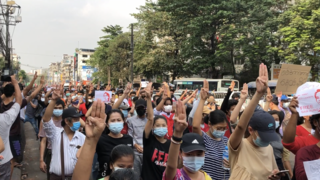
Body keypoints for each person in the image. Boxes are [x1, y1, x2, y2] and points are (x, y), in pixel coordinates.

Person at [228, 64, 284, 180]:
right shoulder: (239, 146)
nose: (266, 140)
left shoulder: (268, 148)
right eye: (263, 136)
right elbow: (240, 127)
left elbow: (271, 171)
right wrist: (258, 94)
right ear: (250, 130)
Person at [193, 79, 233, 179]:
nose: (222, 131)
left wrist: (231, 164)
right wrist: (202, 99)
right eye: (219, 128)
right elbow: (195, 125)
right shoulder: (203, 138)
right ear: (210, 124)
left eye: (224, 128)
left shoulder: (226, 141)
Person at [42, 89, 85, 179]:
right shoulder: (56, 133)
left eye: (78, 120)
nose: (78, 122)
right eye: (75, 120)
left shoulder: (82, 138)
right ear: (66, 121)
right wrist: (53, 100)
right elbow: (46, 119)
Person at [163, 100, 211, 180]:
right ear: (180, 154)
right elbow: (171, 167)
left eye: (199, 154)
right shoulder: (176, 175)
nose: (195, 158)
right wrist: (178, 133)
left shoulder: (207, 177)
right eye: (189, 154)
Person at [142, 82, 171, 180]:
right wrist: (149, 99)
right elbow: (150, 118)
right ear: (153, 127)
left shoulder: (170, 144)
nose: (161, 127)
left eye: (163, 125)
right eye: (158, 125)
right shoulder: (149, 140)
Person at [96, 109, 133, 179]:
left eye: (119, 120)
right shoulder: (100, 139)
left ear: (123, 122)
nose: (116, 123)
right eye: (113, 121)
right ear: (107, 124)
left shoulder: (129, 139)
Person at [0, 75, 22, 180]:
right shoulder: (5, 118)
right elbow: (19, 100)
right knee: (14, 159)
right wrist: (15, 82)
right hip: (3, 162)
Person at [39, 99, 65, 180]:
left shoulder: (67, 121)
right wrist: (41, 160)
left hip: (65, 152)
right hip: (51, 153)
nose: (58, 110)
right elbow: (43, 141)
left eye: (60, 108)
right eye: (55, 108)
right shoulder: (47, 123)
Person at [126, 99, 148, 177]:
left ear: (146, 108)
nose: (140, 110)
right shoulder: (130, 120)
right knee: (136, 174)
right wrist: (135, 145)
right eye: (138, 108)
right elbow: (130, 135)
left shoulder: (150, 120)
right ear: (135, 109)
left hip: (147, 151)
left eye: (142, 108)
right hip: (135, 151)